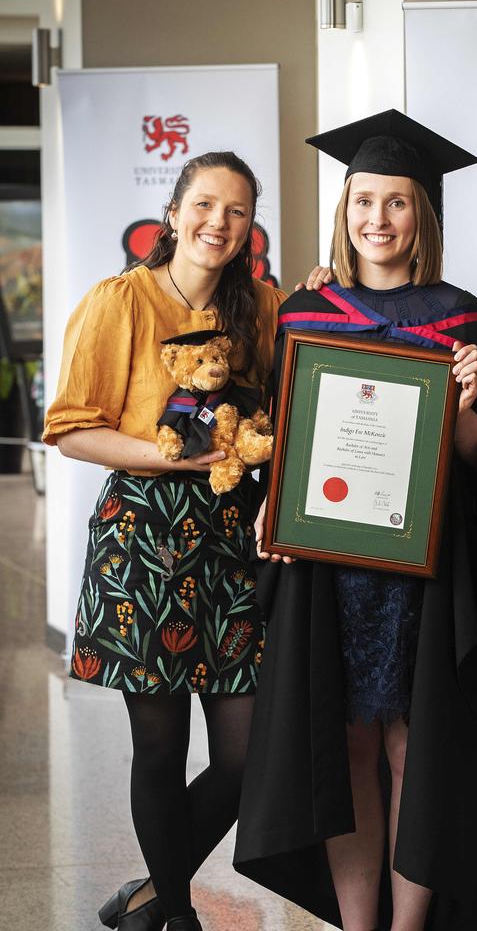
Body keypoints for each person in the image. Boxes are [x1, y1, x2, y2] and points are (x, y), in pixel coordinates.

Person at [233, 111, 477, 931]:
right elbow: (286, 441)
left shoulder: (460, 318)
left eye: (398, 202)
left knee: (418, 750)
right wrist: (274, 498)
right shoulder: (305, 312)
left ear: (423, 218)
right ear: (344, 210)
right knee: (348, 751)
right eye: (363, 200)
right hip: (330, 573)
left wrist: (473, 408)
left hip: (424, 577)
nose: (378, 218)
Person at [43, 152, 286, 931]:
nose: (220, 222)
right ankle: (175, 913)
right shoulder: (120, 302)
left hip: (226, 537)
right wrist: (172, 454)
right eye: (206, 205)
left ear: (251, 228)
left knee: (246, 757)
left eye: (238, 211)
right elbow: (70, 429)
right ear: (174, 213)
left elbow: (290, 406)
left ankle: (151, 892)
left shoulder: (262, 310)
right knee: (159, 748)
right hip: (142, 536)